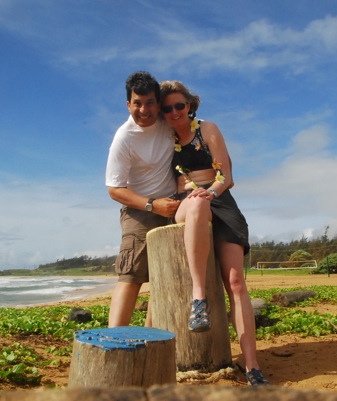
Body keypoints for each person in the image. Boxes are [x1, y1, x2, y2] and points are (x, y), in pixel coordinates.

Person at [159, 80, 269, 386]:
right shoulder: (161, 138)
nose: (174, 112)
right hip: (186, 202)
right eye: (167, 108)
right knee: (194, 206)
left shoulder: (207, 129)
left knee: (235, 282)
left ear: (190, 105)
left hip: (219, 198)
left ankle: (252, 366)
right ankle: (199, 299)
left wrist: (212, 191)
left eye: (179, 105)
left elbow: (227, 175)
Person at [105, 71, 180, 327]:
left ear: (158, 103)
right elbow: (115, 190)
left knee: (165, 279)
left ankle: (152, 340)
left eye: (150, 103)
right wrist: (152, 204)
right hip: (139, 210)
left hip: (174, 207)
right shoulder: (124, 137)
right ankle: (113, 344)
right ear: (128, 104)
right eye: (137, 103)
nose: (144, 110)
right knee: (131, 275)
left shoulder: (168, 119)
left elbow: (192, 115)